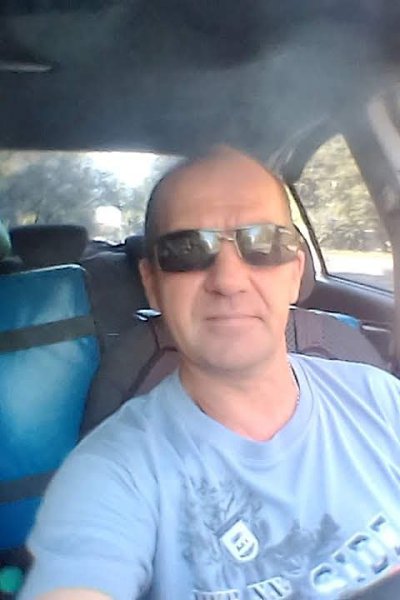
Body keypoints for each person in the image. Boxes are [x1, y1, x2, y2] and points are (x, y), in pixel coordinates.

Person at [20, 147, 400, 600]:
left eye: (262, 243)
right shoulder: (110, 474)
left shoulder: (381, 399)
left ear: (295, 272)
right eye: (187, 250)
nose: (228, 280)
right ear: (152, 283)